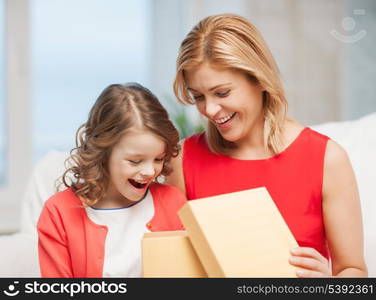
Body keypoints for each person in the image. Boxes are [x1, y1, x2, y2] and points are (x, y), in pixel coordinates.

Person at [167, 14, 367, 277]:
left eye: (222, 92)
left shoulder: (327, 159)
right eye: (198, 97)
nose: (210, 109)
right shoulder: (182, 161)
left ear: (259, 79)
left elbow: (353, 271)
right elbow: (169, 269)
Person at [37, 83, 187, 278]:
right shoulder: (59, 212)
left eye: (158, 159)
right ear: (104, 152)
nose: (150, 171)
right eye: (135, 161)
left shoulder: (173, 203)